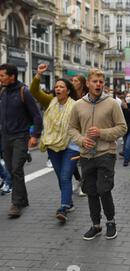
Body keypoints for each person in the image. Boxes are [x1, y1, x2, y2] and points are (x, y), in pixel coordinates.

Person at [68, 68, 127, 240]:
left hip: (105, 153)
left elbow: (122, 127)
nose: (98, 84)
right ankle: (96, 225)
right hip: (86, 155)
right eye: (95, 81)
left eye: (101, 82)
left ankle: (111, 222)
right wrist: (81, 140)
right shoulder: (78, 105)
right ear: (88, 83)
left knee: (104, 189)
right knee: (91, 191)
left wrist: (102, 133)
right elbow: (71, 128)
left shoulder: (112, 104)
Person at [30, 64, 79, 222]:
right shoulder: (50, 101)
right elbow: (34, 92)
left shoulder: (76, 106)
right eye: (56, 86)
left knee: (65, 177)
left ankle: (63, 207)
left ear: (68, 90)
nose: (58, 89)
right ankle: (69, 202)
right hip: (53, 145)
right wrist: (38, 75)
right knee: (60, 177)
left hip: (71, 146)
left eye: (61, 86)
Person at [0, 63, 43, 218]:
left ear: (12, 76)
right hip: (5, 137)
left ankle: (16, 203)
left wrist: (35, 136)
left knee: (17, 169)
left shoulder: (23, 91)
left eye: (2, 75)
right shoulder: (3, 91)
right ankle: (22, 199)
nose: (0, 79)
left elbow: (37, 116)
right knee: (12, 170)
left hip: (20, 136)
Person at [71, 74, 89, 197]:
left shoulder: (87, 96)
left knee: (83, 160)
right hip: (73, 131)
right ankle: (78, 179)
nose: (73, 82)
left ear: (82, 83)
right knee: (71, 160)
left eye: (76, 81)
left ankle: (83, 184)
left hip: (85, 131)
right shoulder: (70, 95)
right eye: (72, 80)